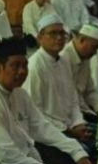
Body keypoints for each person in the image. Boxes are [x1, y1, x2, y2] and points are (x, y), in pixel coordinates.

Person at [25, 15, 93, 146]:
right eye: (53, 33)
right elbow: (35, 113)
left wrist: (78, 123)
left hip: (71, 127)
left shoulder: (64, 61)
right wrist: (69, 131)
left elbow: (73, 99)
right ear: (40, 38)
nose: (59, 38)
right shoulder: (34, 67)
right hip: (48, 134)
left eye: (62, 33)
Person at [61, 23, 98, 117]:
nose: (95, 53)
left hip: (82, 111)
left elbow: (90, 91)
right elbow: (68, 96)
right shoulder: (63, 58)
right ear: (82, 40)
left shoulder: (85, 58)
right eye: (94, 47)